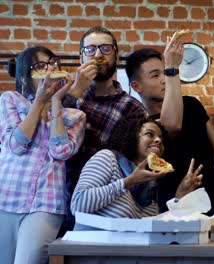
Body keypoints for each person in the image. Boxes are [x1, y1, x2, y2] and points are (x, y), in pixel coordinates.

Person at [125, 34, 214, 219]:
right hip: (175, 211)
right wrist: (172, 68)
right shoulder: (143, 127)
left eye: (164, 72)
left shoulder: (192, 106)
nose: (164, 79)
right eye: (155, 75)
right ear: (137, 86)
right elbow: (172, 124)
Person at [0, 46, 86, 264]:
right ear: (25, 76)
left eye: (53, 64)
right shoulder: (10, 100)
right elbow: (16, 145)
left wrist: (56, 103)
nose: (49, 70)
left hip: (46, 203)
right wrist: (39, 102)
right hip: (6, 196)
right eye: (40, 66)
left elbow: (61, 151)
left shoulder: (75, 115)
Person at [60, 26, 147, 232]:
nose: (98, 55)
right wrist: (77, 90)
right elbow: (50, 134)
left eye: (105, 49)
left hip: (106, 203)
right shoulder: (62, 95)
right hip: (57, 196)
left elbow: (136, 160)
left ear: (116, 55)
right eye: (90, 50)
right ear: (81, 57)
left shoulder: (132, 107)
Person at [70, 116, 202, 229]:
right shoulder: (107, 158)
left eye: (161, 138)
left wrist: (179, 198)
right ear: (131, 136)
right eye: (150, 134)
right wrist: (128, 182)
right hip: (90, 252)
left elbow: (153, 228)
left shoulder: (150, 182)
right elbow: (77, 205)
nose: (158, 140)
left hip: (125, 255)